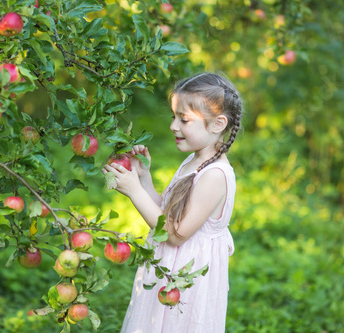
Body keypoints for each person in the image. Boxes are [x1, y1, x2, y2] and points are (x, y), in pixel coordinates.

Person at [103, 72, 243, 333]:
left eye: (184, 119)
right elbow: (167, 215)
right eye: (174, 116)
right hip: (170, 273)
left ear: (217, 124)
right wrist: (144, 180)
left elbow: (175, 234)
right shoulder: (194, 161)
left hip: (189, 282)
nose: (173, 126)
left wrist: (135, 192)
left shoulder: (214, 175)